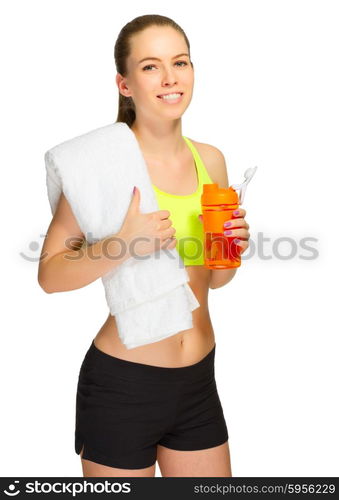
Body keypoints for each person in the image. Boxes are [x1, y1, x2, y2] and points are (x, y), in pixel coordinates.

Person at [38, 14, 250, 478]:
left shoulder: (209, 159)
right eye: (151, 66)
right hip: (124, 387)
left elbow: (216, 279)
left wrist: (231, 247)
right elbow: (49, 276)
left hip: (198, 384)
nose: (171, 77)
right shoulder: (100, 165)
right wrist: (123, 245)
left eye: (181, 62)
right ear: (125, 83)